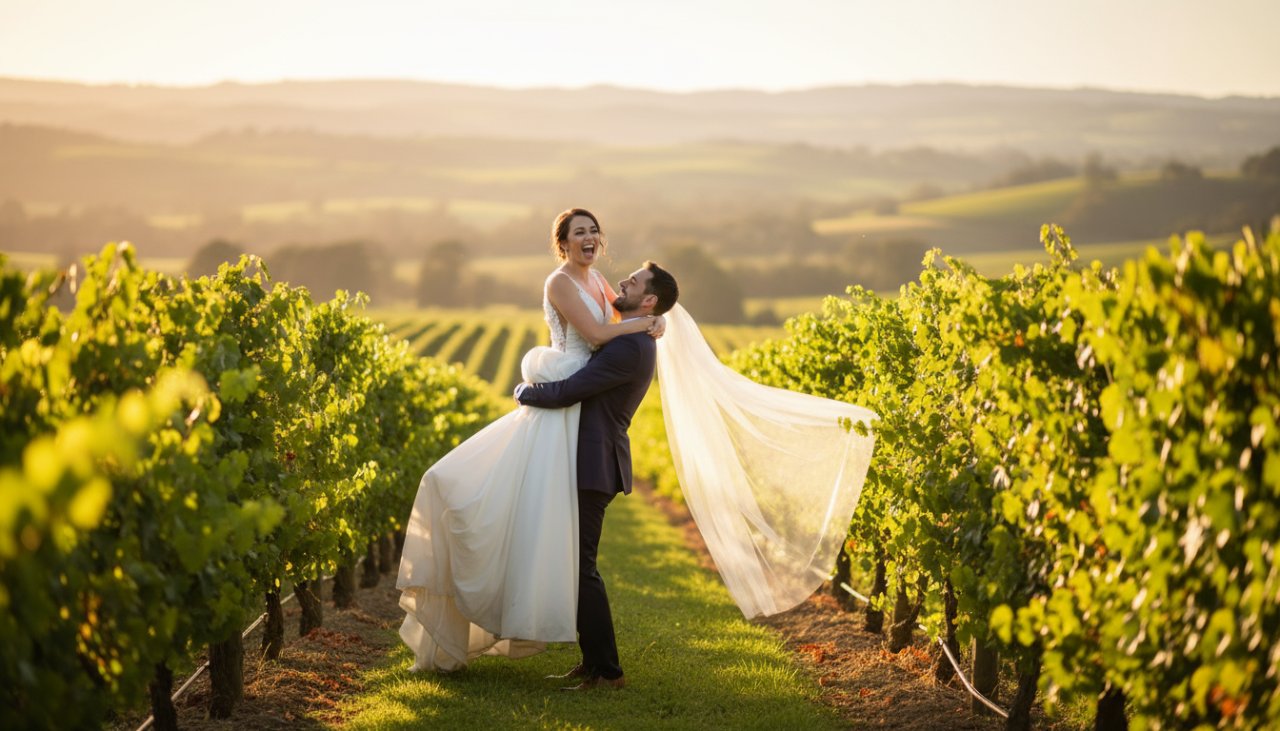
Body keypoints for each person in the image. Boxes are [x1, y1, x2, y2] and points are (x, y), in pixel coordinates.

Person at [396, 209, 663, 673]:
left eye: (593, 230)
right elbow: (599, 334)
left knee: (569, 554)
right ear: (562, 243)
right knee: (475, 496)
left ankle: (600, 665)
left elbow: (615, 327)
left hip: (579, 419)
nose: (589, 237)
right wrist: (647, 323)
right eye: (579, 232)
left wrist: (652, 319)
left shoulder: (600, 281)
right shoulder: (560, 283)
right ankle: (594, 662)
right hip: (562, 407)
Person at [514, 260, 679, 690]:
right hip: (590, 457)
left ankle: (608, 671)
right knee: (578, 563)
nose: (621, 282)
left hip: (594, 461)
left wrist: (525, 392)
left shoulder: (630, 347)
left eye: (634, 282)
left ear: (649, 299)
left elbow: (573, 390)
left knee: (582, 566)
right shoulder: (637, 337)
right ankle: (593, 663)